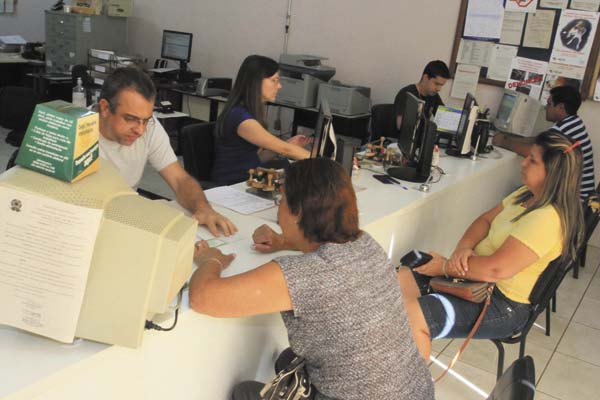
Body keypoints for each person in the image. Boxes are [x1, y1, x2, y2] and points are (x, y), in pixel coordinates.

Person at [189, 158, 435, 400]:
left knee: (245, 393)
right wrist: (285, 241)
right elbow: (327, 252)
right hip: (416, 391)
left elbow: (203, 297)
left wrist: (212, 260)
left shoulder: (302, 275)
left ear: (297, 213)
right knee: (288, 360)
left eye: (281, 201)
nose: (278, 209)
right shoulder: (365, 243)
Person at [397, 131, 584, 358]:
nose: (523, 162)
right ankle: (395, 356)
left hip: (502, 303)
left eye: (532, 160)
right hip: (474, 279)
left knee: (414, 316)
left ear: (553, 172)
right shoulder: (526, 194)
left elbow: (497, 270)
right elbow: (485, 220)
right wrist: (463, 249)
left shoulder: (547, 219)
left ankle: (409, 376)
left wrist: (446, 267)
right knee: (399, 281)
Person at [97, 67, 236, 236]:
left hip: (126, 218)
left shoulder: (150, 127)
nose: (140, 130)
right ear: (105, 108)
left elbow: (179, 179)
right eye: (131, 119)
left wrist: (203, 208)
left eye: (145, 120)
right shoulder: (77, 133)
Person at [211, 55, 311, 186]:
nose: (279, 86)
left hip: (245, 180)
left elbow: (254, 159)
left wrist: (288, 144)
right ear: (256, 82)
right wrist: (322, 162)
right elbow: (285, 150)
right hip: (231, 186)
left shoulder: (247, 111)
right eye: (274, 80)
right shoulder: (241, 118)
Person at [493, 85, 595, 200]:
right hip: (579, 194)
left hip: (575, 200)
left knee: (514, 195)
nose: (546, 108)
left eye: (549, 104)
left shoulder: (563, 130)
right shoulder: (574, 122)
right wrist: (507, 138)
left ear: (561, 107)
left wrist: (504, 142)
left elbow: (533, 152)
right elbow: (538, 141)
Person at [393, 60, 450, 130]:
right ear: (425, 78)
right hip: (402, 136)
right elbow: (400, 126)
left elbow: (444, 117)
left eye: (441, 85)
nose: (439, 89)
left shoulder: (434, 95)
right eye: (436, 84)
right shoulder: (406, 94)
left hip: (421, 135)